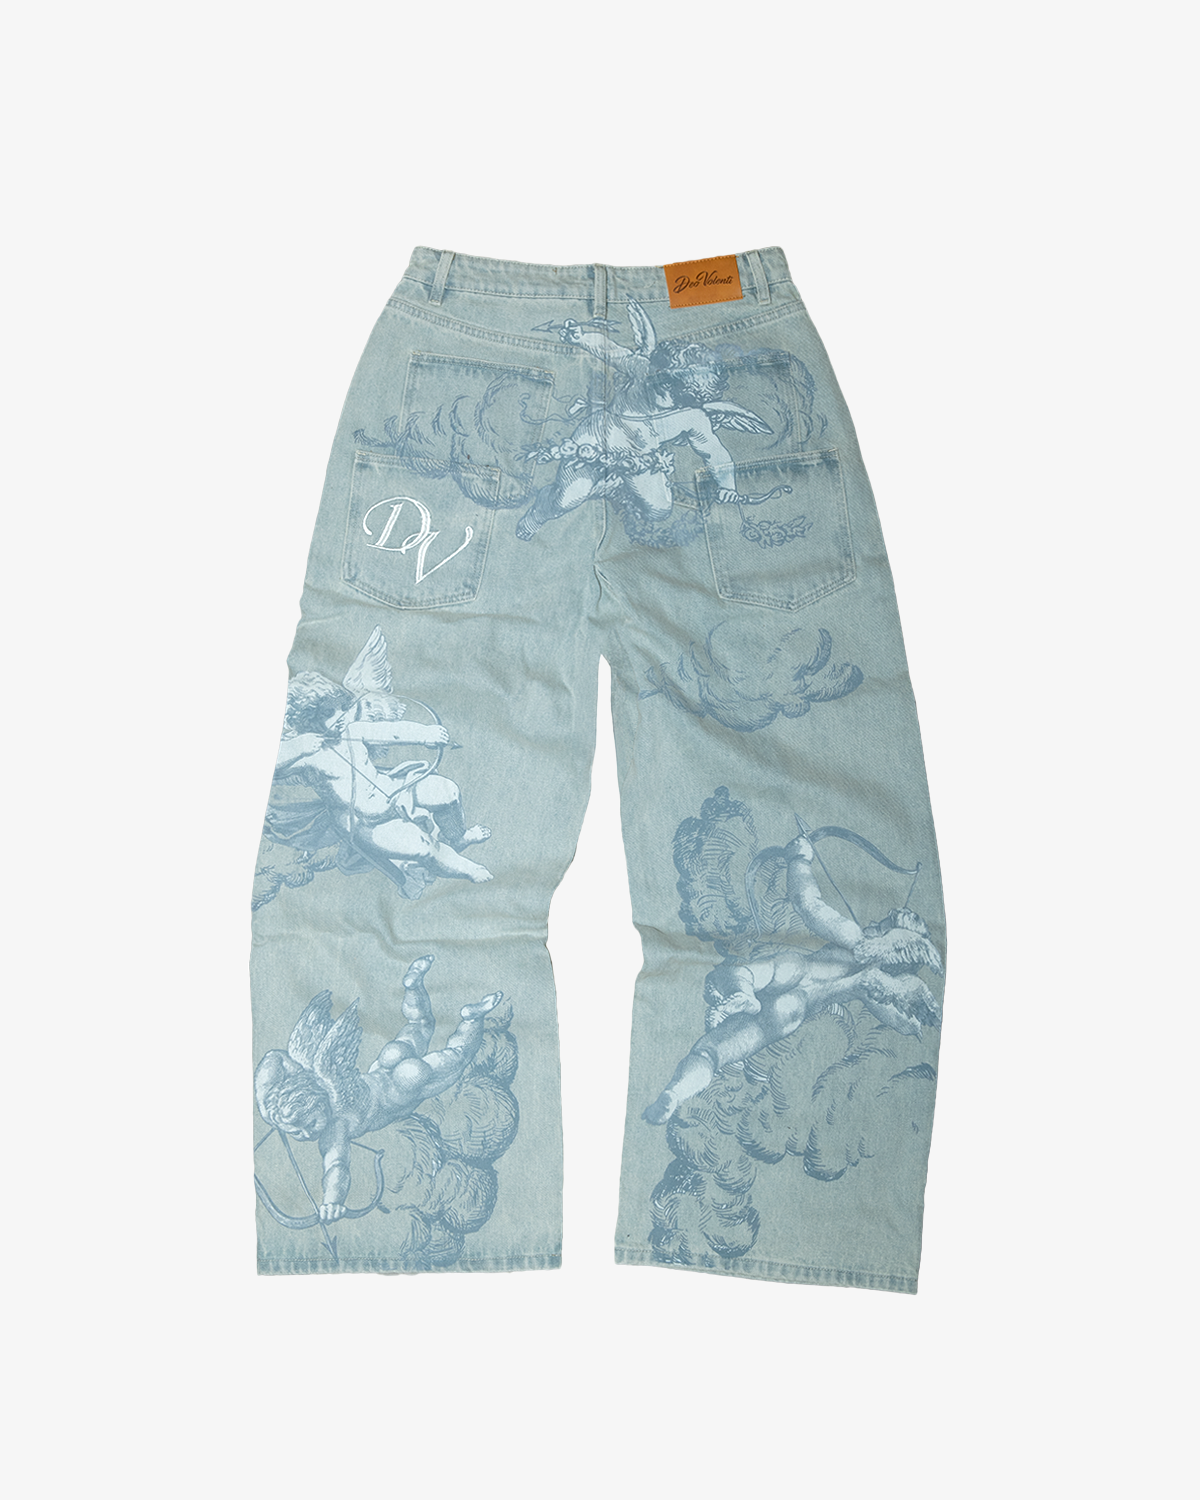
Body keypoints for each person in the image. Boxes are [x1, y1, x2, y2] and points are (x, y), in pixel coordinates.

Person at [644, 834, 943, 1124]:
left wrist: (800, 858)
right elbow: (899, 1020)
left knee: (738, 975)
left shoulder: (855, 939)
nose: (874, 922)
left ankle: (744, 994)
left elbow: (807, 903)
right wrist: (912, 1022)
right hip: (793, 1010)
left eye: (883, 924)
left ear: (888, 938)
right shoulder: (873, 987)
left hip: (793, 970)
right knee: (713, 1053)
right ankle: (676, 1093)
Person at [255, 955, 504, 1222]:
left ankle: (471, 1019)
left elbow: (336, 1165)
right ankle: (413, 985)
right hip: (386, 1063)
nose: (306, 1134)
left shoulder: (336, 1127)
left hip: (405, 1086)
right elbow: (274, 1057)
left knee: (459, 1055)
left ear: (316, 1103)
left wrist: (332, 1201)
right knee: (419, 1025)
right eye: (297, 1132)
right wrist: (265, 1103)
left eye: (310, 1124)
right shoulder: (314, 1076)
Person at [516, 301, 774, 539]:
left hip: (640, 460)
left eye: (667, 386)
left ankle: (613, 486)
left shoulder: (693, 418)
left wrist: (728, 487)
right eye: (657, 377)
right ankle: (538, 515)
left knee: (659, 510)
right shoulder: (643, 371)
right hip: (596, 438)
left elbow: (715, 453)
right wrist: (581, 337)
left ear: (687, 396)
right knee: (568, 498)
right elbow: (610, 350)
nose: (656, 384)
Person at [271, 671, 493, 890]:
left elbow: (392, 731)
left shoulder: (353, 729)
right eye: (328, 713)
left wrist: (425, 734)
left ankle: (459, 837)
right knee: (423, 847)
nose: (341, 716)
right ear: (308, 718)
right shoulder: (309, 755)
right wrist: (298, 747)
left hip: (394, 791)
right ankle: (470, 869)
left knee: (447, 791)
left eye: (342, 708)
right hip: (363, 822)